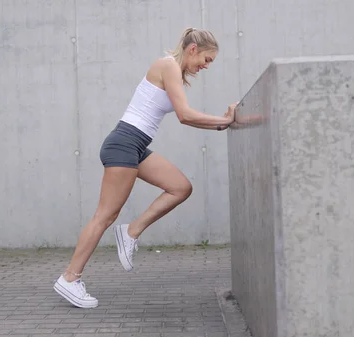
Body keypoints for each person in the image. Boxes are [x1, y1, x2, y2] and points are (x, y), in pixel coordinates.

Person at [53, 27, 238, 308]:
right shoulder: (167, 65)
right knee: (105, 215)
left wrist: (222, 123)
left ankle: (131, 232)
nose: (206, 66)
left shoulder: (172, 70)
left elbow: (185, 116)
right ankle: (70, 278)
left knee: (180, 187)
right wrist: (225, 122)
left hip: (135, 146)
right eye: (207, 59)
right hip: (124, 143)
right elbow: (185, 116)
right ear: (193, 50)